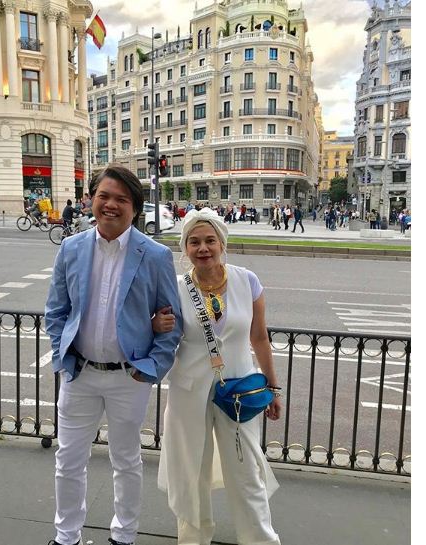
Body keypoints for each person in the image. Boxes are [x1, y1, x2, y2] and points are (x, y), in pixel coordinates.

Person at [44, 165, 183, 545]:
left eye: (121, 199)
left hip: (129, 377)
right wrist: (61, 354)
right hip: (80, 374)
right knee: (68, 460)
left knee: (126, 461)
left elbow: (173, 322)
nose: (111, 204)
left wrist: (150, 368)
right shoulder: (72, 248)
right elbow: (56, 311)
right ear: (91, 200)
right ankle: (66, 536)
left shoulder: (154, 255)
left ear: (134, 207)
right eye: (104, 196)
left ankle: (124, 536)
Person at [154, 208, 282, 545]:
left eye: (210, 240)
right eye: (194, 241)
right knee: (190, 470)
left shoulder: (247, 281)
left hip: (239, 391)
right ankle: (193, 539)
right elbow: (162, 338)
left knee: (246, 470)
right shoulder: (176, 288)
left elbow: (259, 337)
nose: (203, 248)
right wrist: (155, 325)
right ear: (185, 248)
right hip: (188, 391)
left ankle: (260, 540)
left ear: (222, 243)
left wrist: (273, 387)